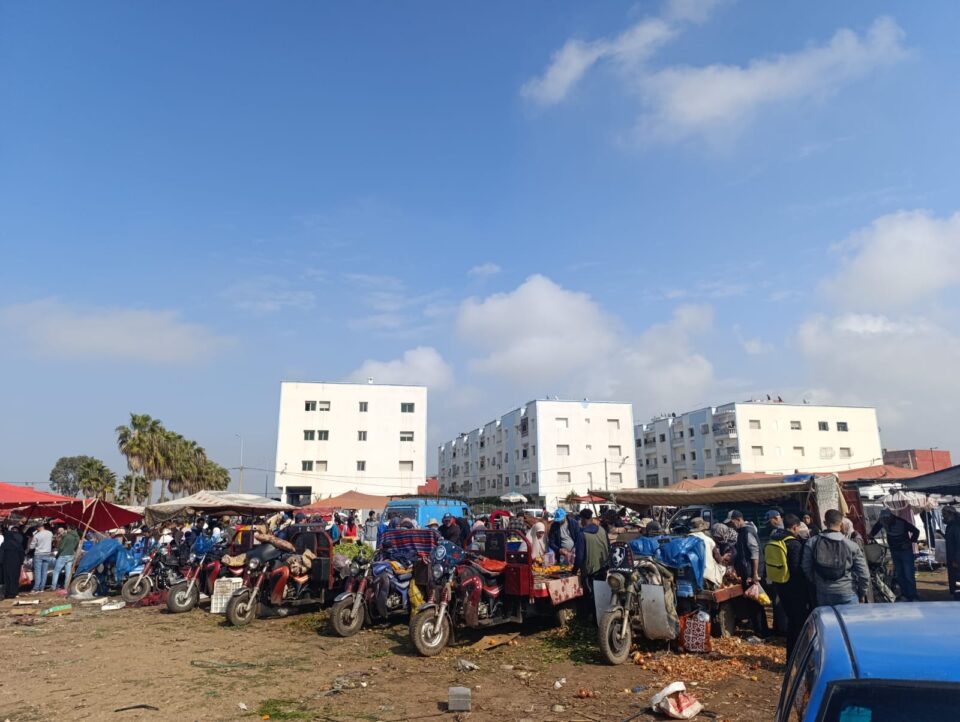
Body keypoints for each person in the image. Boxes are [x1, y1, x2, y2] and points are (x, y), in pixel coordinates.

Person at [802, 508, 869, 606]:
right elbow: (864, 573)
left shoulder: (812, 542)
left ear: (825, 523)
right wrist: (862, 593)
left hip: (823, 592)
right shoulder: (851, 545)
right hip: (847, 591)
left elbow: (806, 567)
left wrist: (817, 582)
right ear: (841, 524)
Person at [767, 514, 809, 657]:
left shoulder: (775, 539)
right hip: (794, 589)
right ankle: (796, 657)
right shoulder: (794, 544)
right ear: (795, 527)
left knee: (791, 622)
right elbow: (797, 569)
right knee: (798, 623)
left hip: (780, 585)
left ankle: (790, 656)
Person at [869, 509, 920, 601]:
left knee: (908, 574)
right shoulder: (882, 521)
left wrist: (910, 542)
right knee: (900, 574)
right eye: (883, 519)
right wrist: (871, 535)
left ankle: (913, 595)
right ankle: (904, 594)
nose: (885, 521)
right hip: (894, 551)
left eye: (887, 519)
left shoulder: (902, 523)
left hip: (905, 551)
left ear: (891, 517)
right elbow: (876, 528)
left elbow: (916, 531)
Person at [574, 508, 609, 616]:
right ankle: (601, 615)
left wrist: (574, 570)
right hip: (603, 568)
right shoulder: (602, 530)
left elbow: (579, 557)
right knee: (601, 593)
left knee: (590, 595)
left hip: (590, 571)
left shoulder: (582, 534)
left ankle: (591, 617)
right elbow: (609, 547)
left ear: (583, 519)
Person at [726, 511, 761, 589]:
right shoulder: (741, 531)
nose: (731, 525)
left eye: (732, 522)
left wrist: (755, 573)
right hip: (747, 572)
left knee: (757, 594)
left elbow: (755, 552)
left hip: (752, 573)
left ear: (738, 520)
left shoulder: (747, 532)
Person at [689, 518, 725, 588]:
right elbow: (717, 556)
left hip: (692, 572)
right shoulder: (709, 540)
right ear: (703, 529)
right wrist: (721, 563)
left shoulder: (687, 539)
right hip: (707, 573)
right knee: (721, 569)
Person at [51, 525, 80, 592]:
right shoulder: (77, 537)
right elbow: (76, 547)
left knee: (56, 571)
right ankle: (66, 586)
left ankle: (53, 587)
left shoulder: (66, 536)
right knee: (68, 572)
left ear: (69, 529)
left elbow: (61, 547)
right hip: (71, 555)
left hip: (63, 555)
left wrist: (57, 555)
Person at [1, 525, 26, 599]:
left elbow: (1, 554)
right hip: (16, 564)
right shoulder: (17, 544)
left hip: (7, 563)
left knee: (7, 578)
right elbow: (22, 554)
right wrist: (21, 562)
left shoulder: (4, 544)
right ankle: (14, 592)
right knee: (15, 578)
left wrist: (1, 562)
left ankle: (8, 592)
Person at [29, 522, 54, 593]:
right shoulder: (50, 533)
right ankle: (42, 587)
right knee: (44, 571)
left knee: (38, 571)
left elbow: (31, 547)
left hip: (38, 554)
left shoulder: (37, 535)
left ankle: (36, 587)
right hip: (47, 553)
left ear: (38, 528)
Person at [943, 506, 960, 600]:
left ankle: (958, 596)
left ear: (951, 514)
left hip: (956, 559)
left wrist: (956, 560)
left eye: (944, 514)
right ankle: (956, 595)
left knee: (957, 579)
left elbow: (958, 544)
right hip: (952, 557)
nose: (943, 517)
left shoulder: (956, 526)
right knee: (954, 578)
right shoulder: (950, 525)